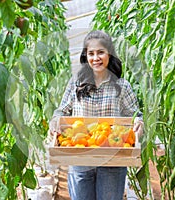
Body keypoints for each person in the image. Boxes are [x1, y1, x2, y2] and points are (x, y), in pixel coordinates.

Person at [49, 30, 144, 200]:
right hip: (80, 156)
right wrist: (55, 121)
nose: (96, 58)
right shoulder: (76, 83)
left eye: (101, 52)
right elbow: (62, 110)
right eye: (91, 53)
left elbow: (135, 114)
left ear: (110, 54)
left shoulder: (122, 86)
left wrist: (139, 123)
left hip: (112, 158)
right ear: (85, 56)